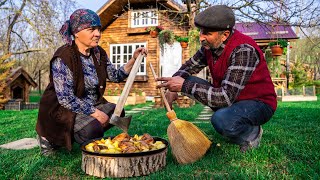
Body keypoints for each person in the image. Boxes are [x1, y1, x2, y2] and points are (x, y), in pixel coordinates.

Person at [157, 5, 277, 153]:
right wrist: (173, 84)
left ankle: (252, 134)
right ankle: (234, 118)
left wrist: (183, 87)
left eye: (207, 33)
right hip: (234, 99)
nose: (201, 37)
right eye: (201, 31)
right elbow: (190, 66)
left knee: (221, 120)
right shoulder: (210, 46)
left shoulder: (243, 50)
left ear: (225, 35)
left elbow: (225, 97)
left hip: (259, 103)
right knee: (189, 81)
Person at [36, 9, 147, 155]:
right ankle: (49, 139)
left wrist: (133, 59)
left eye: (99, 29)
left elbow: (115, 76)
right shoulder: (63, 57)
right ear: (76, 32)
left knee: (117, 111)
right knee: (93, 129)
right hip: (63, 110)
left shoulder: (98, 52)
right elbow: (66, 99)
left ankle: (82, 131)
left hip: (89, 105)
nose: (98, 34)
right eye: (91, 29)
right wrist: (96, 113)